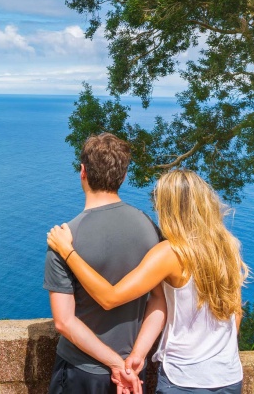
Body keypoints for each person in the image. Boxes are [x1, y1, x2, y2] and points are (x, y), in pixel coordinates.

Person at [47, 169, 248, 393]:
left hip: (184, 380)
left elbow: (109, 297)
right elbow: (235, 313)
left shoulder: (171, 253)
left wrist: (68, 252)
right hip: (229, 376)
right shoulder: (227, 247)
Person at [43, 133, 165, 394]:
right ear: (122, 176)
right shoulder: (149, 228)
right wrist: (135, 357)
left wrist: (114, 364)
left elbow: (64, 322)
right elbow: (158, 300)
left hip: (81, 371)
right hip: (134, 371)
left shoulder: (65, 237)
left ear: (83, 172)